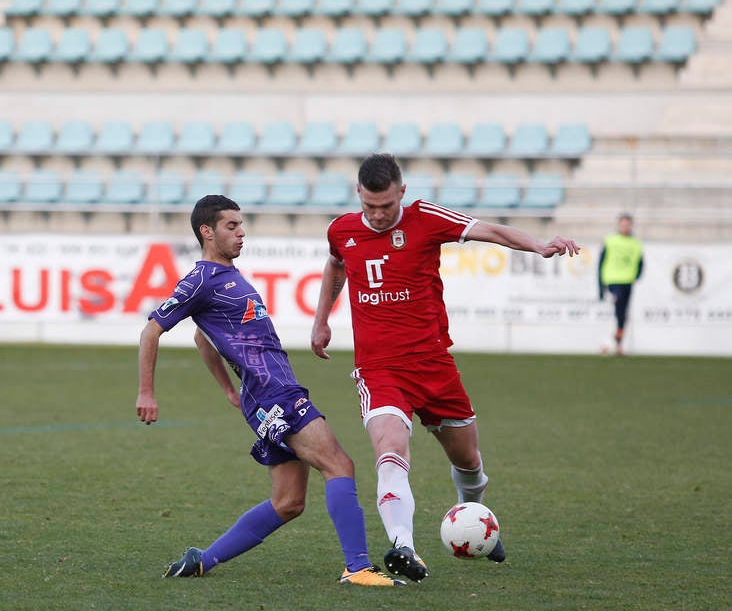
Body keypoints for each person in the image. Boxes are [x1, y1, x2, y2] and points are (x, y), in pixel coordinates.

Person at [310, 154, 580, 582]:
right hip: (378, 369)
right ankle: (404, 546)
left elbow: (489, 230)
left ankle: (474, 516)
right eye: (369, 206)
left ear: (402, 191)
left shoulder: (427, 218)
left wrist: (538, 244)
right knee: (390, 447)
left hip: (433, 364)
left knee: (468, 461)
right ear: (359, 195)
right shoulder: (341, 229)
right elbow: (336, 264)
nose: (378, 216)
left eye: (386, 206)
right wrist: (322, 319)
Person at [136, 194, 403, 587]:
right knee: (339, 465)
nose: (241, 233)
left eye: (242, 225)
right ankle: (358, 567)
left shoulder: (230, 276)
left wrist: (230, 390)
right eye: (231, 226)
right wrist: (147, 392)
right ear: (206, 232)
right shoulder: (202, 279)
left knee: (288, 503)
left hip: (263, 395)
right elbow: (151, 330)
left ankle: (202, 560)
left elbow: (200, 336)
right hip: (274, 392)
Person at [598, 213, 644, 356]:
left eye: (627, 225)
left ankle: (618, 344)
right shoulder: (610, 240)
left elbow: (640, 262)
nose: (625, 227)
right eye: (623, 224)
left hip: (627, 282)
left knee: (623, 314)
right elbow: (601, 262)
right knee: (616, 310)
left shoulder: (635, 243)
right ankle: (607, 342)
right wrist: (600, 286)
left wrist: (636, 275)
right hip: (612, 281)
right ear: (618, 225)